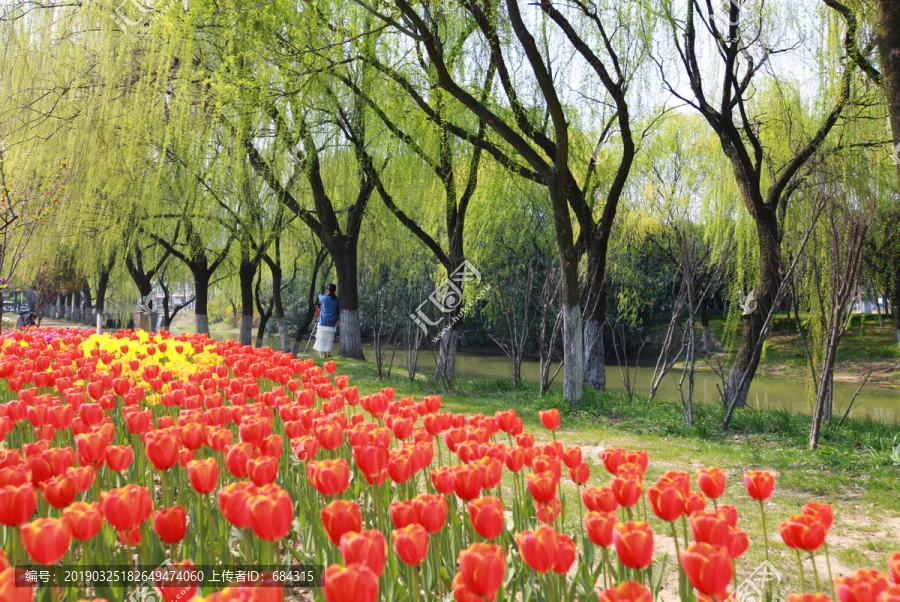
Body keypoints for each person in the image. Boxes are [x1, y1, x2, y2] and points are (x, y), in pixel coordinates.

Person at [314, 283, 339, 358]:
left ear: (328, 290)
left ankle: (324, 354)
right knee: (329, 339)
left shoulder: (325, 298)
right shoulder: (337, 299)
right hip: (332, 323)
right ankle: (328, 353)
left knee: (323, 339)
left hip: (323, 322)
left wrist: (322, 290)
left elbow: (320, 296)